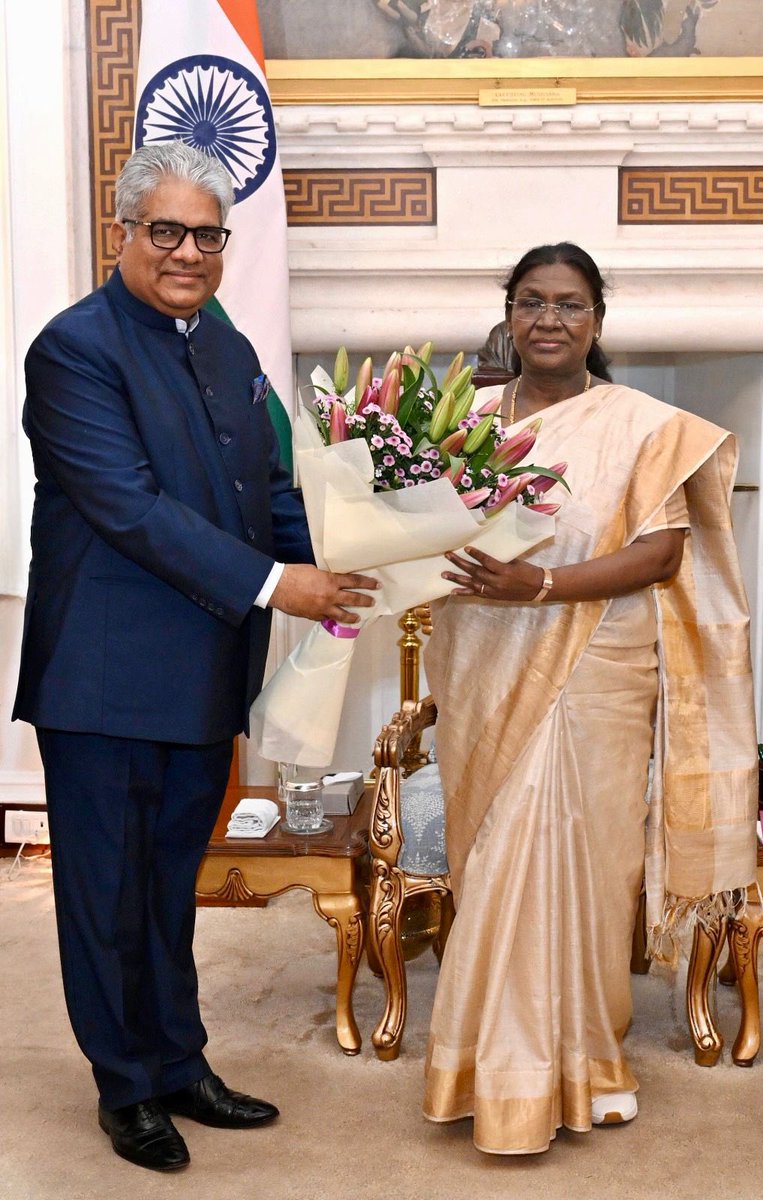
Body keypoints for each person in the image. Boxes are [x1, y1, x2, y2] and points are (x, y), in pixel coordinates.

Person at [12, 141, 377, 1173]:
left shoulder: (221, 342)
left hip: (206, 671)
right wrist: (277, 586)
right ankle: (125, 1089)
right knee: (105, 895)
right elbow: (129, 507)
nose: (185, 253)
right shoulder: (73, 348)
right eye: (163, 231)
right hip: (105, 677)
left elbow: (263, 496)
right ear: (120, 234)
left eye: (205, 235)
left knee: (173, 888)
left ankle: (179, 1062)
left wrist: (368, 552)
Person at [422, 242, 758, 1155]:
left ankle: (583, 1063)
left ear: (597, 320)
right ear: (509, 314)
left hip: (598, 664)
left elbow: (662, 555)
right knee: (494, 860)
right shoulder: (463, 423)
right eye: (531, 302)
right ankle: (485, 1069)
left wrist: (538, 589)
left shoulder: (642, 424)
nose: (549, 320)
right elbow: (414, 537)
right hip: (483, 661)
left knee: (585, 864)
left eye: (569, 304)